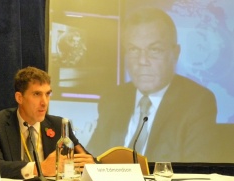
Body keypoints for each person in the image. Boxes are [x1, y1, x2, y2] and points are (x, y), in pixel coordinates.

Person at [87, 7, 218, 163]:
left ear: (175, 54)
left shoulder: (197, 102)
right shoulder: (112, 98)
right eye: (134, 49)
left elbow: (196, 174)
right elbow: (92, 160)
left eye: (154, 50)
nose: (142, 61)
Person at [0, 66, 95, 179]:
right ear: (19, 98)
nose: (44, 102)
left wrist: (91, 166)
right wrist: (39, 168)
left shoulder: (59, 125)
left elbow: (88, 159)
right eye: (37, 94)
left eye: (47, 94)